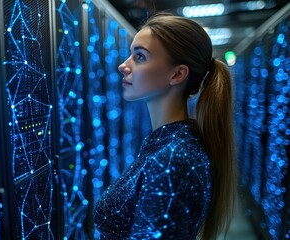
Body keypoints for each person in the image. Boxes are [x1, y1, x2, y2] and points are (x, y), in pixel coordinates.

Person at [94, 12, 236, 239]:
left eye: (140, 57)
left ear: (177, 74)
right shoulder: (170, 143)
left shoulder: (171, 158)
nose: (123, 65)